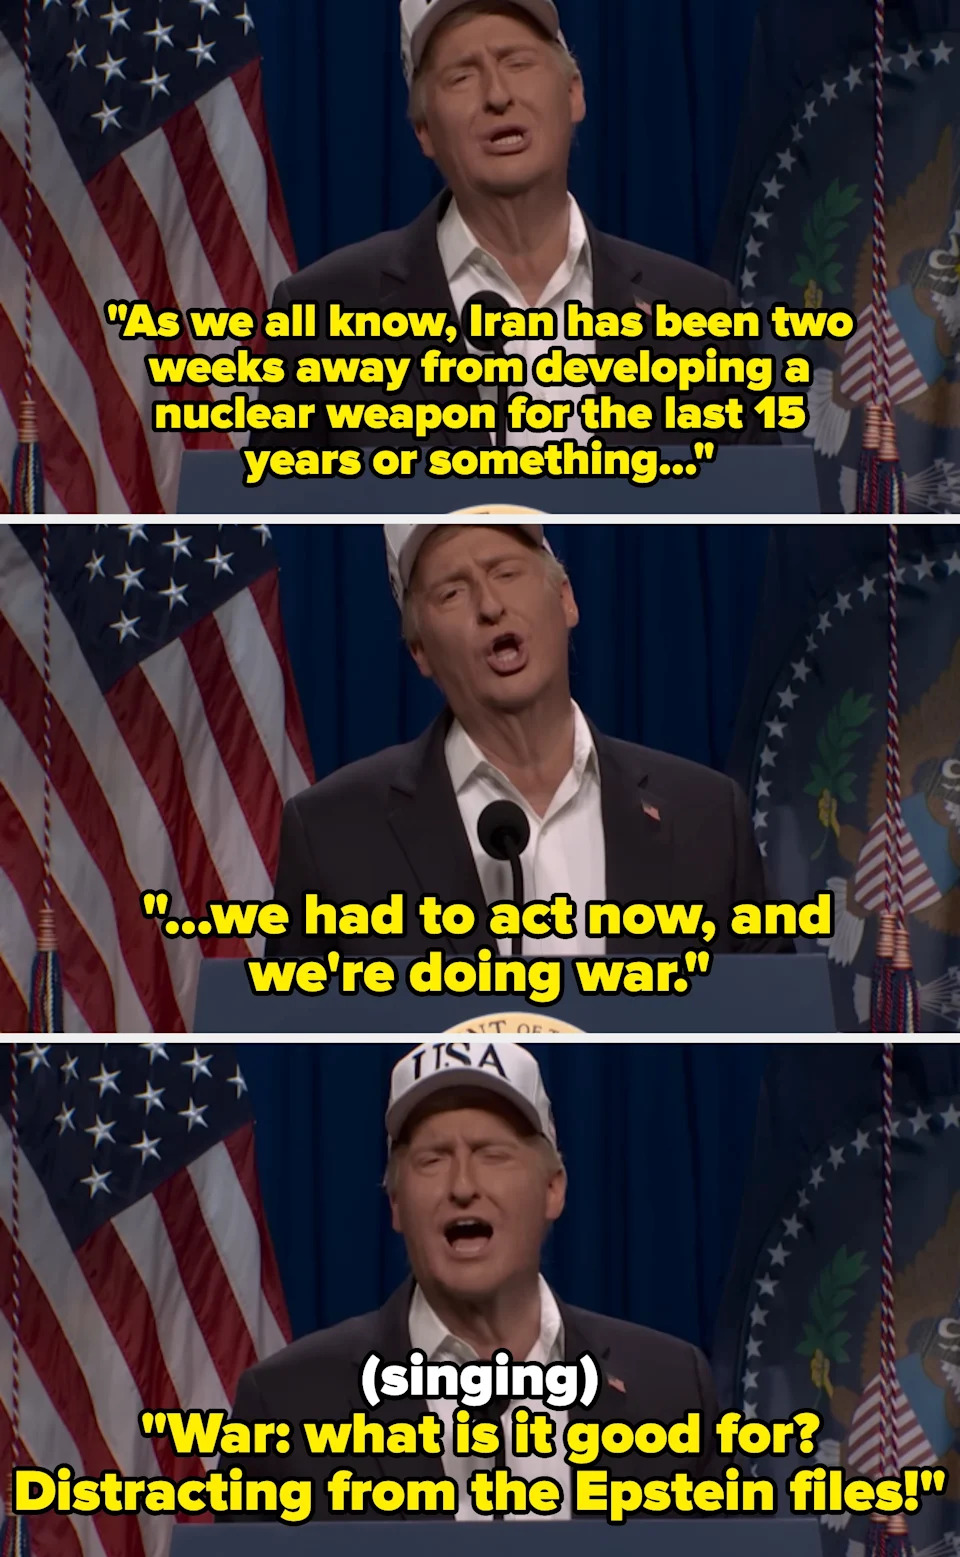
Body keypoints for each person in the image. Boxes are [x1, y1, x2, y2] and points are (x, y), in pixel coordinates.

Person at [224, 1041, 727, 1521]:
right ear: (396, 1203)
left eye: (492, 1154)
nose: (462, 1186)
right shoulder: (284, 1408)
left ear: (553, 1189)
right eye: (432, 1159)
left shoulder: (673, 1389)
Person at [251, 0, 775, 452]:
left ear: (574, 93)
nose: (497, 94)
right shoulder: (322, 316)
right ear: (424, 130)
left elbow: (763, 518)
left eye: (517, 62)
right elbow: (283, 525)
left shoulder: (700, 311)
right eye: (461, 76)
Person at [271, 521, 785, 958]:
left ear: (565, 599)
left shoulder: (709, 818)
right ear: (420, 650)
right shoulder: (331, 836)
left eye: (506, 573)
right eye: (451, 592)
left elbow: (772, 1028)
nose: (490, 605)